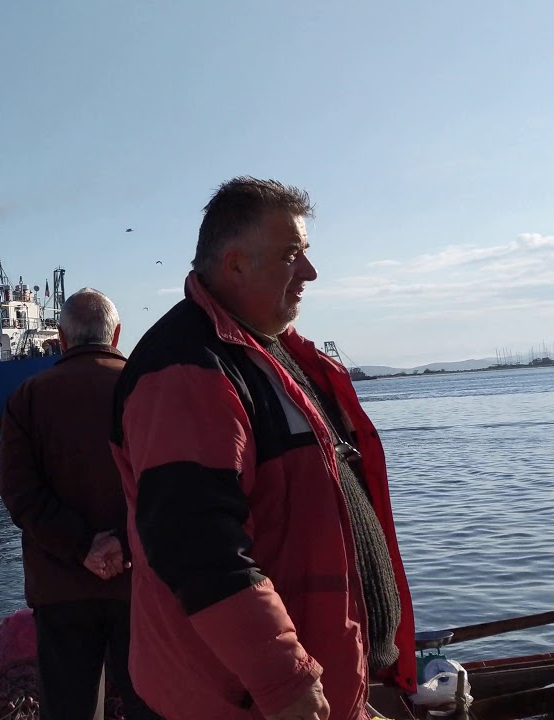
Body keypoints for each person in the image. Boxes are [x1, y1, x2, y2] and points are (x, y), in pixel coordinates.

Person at [110, 177, 418, 720]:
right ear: (235, 264)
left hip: (311, 690)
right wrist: (283, 679)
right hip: (248, 703)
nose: (310, 272)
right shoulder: (186, 370)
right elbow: (196, 542)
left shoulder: (264, 353)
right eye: (291, 255)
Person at [0, 288, 159, 720]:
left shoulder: (27, 398)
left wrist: (82, 546)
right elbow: (172, 489)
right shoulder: (148, 389)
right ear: (117, 334)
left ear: (61, 338)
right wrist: (123, 545)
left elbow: (19, 493)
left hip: (60, 591)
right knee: (153, 705)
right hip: (141, 588)